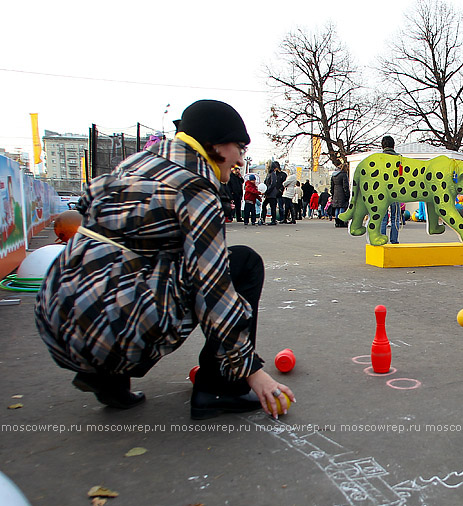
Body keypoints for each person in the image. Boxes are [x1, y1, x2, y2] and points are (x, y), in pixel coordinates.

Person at [34, 99, 295, 420]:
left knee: (134, 268)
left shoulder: (136, 163)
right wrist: (251, 370)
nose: (240, 159)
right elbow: (213, 290)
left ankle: (105, 376)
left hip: (55, 320)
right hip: (112, 335)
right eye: (239, 147)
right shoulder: (194, 189)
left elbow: (88, 210)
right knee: (242, 262)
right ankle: (219, 388)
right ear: (214, 145)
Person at [379, 135, 402, 243]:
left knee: (383, 218)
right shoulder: (399, 158)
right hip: (395, 191)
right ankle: (394, 240)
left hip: (382, 191)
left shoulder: (379, 159)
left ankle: (382, 238)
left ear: (382, 146)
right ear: (393, 145)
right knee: (395, 217)